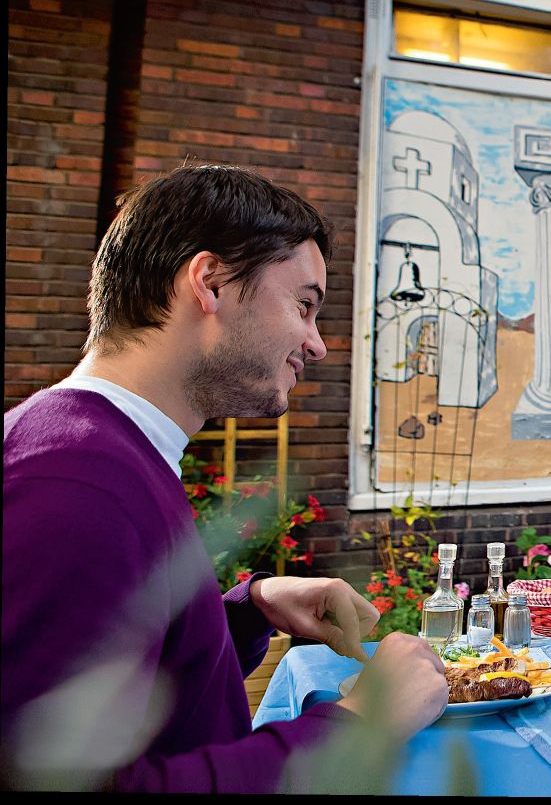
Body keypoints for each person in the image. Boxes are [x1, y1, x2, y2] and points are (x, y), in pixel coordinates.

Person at [2, 165, 449, 792]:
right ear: (210, 282)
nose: (317, 344)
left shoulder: (98, 449)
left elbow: (142, 688)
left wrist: (248, 608)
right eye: (304, 304)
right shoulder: (74, 486)